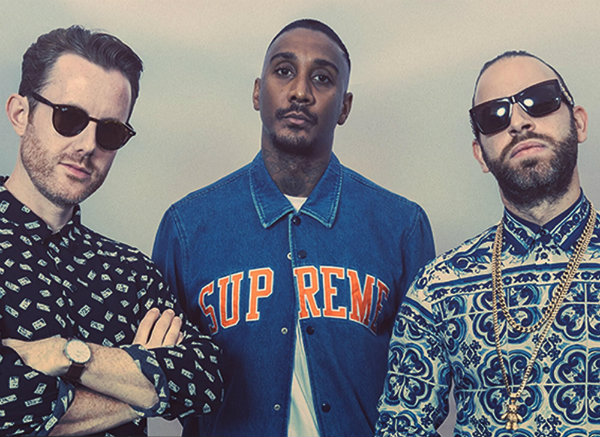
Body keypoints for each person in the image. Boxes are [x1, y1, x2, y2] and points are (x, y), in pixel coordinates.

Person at [152, 18, 434, 437]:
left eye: (322, 78)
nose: (301, 91)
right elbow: (156, 380)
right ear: (257, 92)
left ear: (344, 107)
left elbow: (421, 390)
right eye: (284, 71)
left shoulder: (401, 226)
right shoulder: (188, 226)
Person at [0, 25, 223, 436]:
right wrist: (139, 381)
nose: (88, 145)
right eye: (69, 117)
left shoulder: (130, 272)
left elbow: (207, 377)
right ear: (20, 114)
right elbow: (10, 407)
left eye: (110, 131)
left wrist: (69, 356)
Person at [375, 50, 599, 435]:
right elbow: (400, 427)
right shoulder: (437, 287)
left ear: (578, 122)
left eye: (540, 99)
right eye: (494, 116)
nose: (519, 122)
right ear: (480, 154)